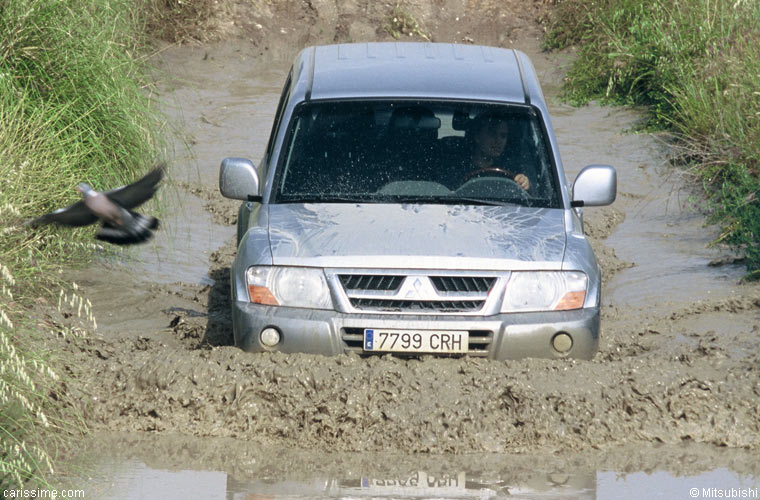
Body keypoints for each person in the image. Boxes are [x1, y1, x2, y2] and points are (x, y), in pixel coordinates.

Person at [464, 113, 531, 190]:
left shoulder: (511, 170)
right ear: (477, 136)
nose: (498, 141)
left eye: (503, 136)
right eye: (492, 134)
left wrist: (524, 182)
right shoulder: (459, 167)